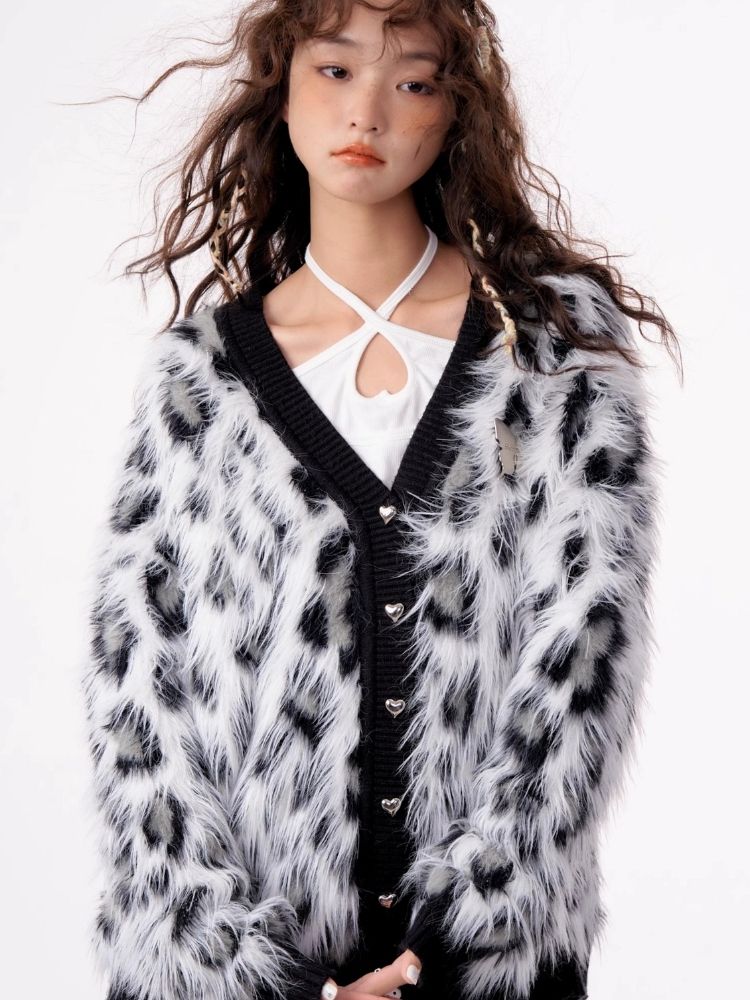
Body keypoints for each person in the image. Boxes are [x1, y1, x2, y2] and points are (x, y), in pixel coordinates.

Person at [80, 2, 679, 999]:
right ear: (280, 91)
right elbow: (137, 685)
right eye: (334, 70)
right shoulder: (200, 378)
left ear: (456, 113)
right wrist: (267, 976)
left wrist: (459, 939)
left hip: (492, 972)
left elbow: (587, 642)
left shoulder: (554, 348)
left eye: (413, 81)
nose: (368, 111)